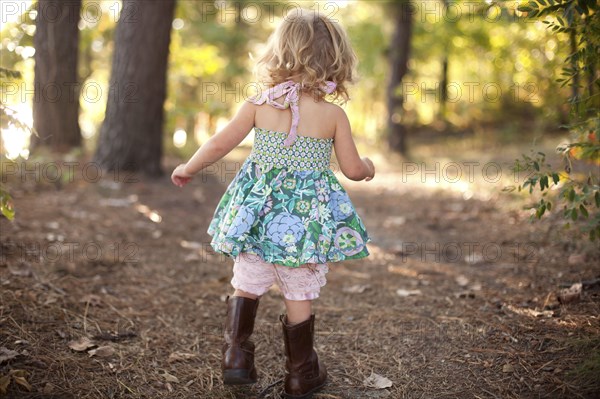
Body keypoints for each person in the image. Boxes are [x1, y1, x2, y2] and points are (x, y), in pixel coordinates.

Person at [171, 8, 374, 398]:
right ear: (336, 61)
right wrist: (368, 167)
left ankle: (236, 356)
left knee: (247, 280)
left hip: (257, 217)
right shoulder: (333, 115)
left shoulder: (259, 104)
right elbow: (351, 168)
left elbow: (219, 144)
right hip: (303, 224)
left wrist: (189, 166)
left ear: (279, 53)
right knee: (298, 289)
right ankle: (300, 373)